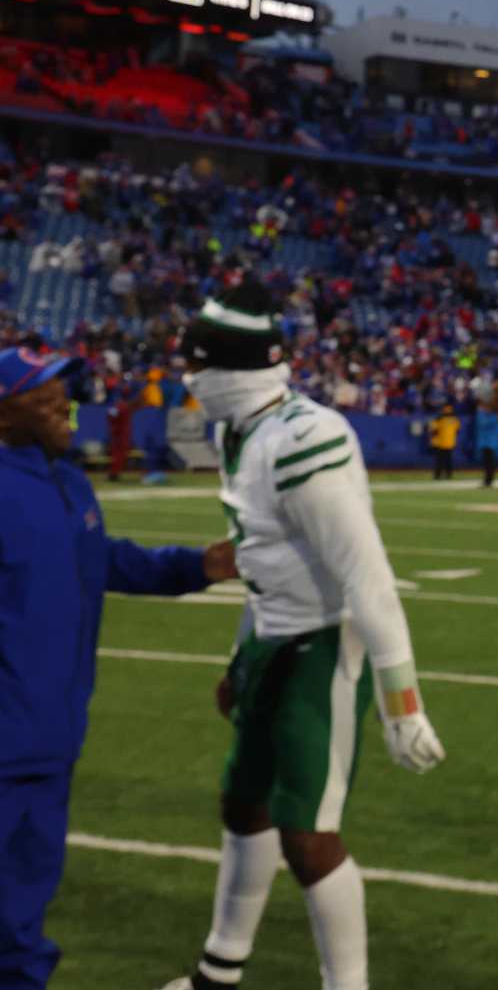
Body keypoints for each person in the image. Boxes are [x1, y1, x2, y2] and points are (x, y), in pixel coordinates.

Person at [159, 282, 446, 990]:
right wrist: (241, 651)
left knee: (308, 837)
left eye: (197, 365)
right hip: (270, 638)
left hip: (321, 646)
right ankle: (219, 968)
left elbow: (368, 577)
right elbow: (261, 560)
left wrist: (401, 699)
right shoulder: (242, 430)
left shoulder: (303, 440)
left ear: (233, 367)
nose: (188, 378)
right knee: (243, 803)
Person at [0, 346, 236, 989]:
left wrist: (197, 567)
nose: (62, 406)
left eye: (64, 392)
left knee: (23, 917)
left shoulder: (71, 484)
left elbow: (106, 560)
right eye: (42, 396)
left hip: (52, 739)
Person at [475, 398, 498, 488]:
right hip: (488, 443)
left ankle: (488, 480)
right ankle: (488, 480)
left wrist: (480, 412)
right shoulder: (492, 417)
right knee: (487, 463)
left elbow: (483, 423)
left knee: (489, 463)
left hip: (489, 443)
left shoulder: (492, 418)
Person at [428, 403, 459, 480]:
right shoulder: (454, 419)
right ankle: (448, 475)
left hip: (440, 443)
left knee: (440, 461)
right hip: (449, 442)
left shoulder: (439, 418)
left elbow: (433, 430)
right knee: (447, 460)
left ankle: (438, 475)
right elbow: (457, 430)